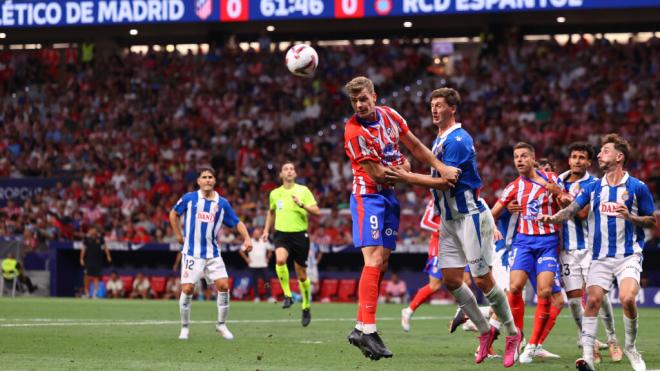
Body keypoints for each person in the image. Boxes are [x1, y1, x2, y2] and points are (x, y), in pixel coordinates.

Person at [384, 87, 520, 367]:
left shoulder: (458, 139)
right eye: (431, 105)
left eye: (439, 105)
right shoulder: (440, 139)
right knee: (451, 280)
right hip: (448, 221)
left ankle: (512, 333)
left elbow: (448, 181)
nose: (434, 109)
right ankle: (484, 331)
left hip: (470, 215)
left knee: (482, 279)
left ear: (452, 109)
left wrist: (407, 177)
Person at [343, 78, 460, 361]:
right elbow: (380, 174)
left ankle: (360, 327)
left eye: (364, 99)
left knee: (382, 263)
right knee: (371, 260)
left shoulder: (391, 115)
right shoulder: (354, 131)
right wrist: (423, 176)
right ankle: (368, 330)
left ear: (374, 96)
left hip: (389, 198)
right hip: (367, 198)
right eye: (355, 101)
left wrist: (441, 167)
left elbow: (416, 146)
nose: (360, 104)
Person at [540, 134, 656, 371]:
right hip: (600, 256)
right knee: (592, 301)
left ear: (618, 157)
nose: (600, 155)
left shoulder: (637, 187)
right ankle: (587, 359)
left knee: (627, 299)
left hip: (628, 255)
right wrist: (552, 218)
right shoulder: (593, 187)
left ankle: (631, 348)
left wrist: (630, 217)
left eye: (605, 151)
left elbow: (651, 220)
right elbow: (572, 210)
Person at [490, 142, 569, 364]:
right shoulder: (513, 187)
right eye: (516, 157)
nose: (520, 160)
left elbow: (569, 203)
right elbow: (492, 213)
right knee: (514, 288)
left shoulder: (552, 179)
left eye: (524, 156)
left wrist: (559, 194)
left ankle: (533, 345)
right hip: (523, 242)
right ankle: (516, 337)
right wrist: (493, 225)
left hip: (548, 242)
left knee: (545, 293)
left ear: (533, 159)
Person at [169, 166, 252, 340]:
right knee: (188, 288)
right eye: (204, 177)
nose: (207, 180)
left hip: (213, 253)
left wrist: (247, 238)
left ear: (214, 181)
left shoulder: (222, 203)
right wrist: (178, 235)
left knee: (224, 286)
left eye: (210, 177)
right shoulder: (189, 199)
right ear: (198, 181)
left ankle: (221, 325)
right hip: (192, 253)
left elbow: (237, 222)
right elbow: (173, 214)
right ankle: (184, 328)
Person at [558, 142, 622, 362]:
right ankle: (590, 342)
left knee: (598, 297)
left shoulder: (595, 184)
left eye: (582, 157)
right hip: (567, 250)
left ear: (588, 162)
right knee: (575, 302)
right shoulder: (558, 181)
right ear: (569, 160)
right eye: (574, 156)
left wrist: (563, 197)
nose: (577, 160)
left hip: (591, 248)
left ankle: (612, 338)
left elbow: (583, 214)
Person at [261, 162, 320, 326]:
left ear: (295, 174)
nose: (289, 171)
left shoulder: (303, 191)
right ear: (281, 174)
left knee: (301, 275)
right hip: (281, 234)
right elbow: (271, 212)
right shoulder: (274, 193)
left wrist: (302, 205)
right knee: (280, 260)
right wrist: (266, 230)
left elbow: (317, 211)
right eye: (285, 169)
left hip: (300, 234)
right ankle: (288, 295)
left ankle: (306, 306)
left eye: (292, 169)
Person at [401, 200, 443, 332]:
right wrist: (441, 227)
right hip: (439, 247)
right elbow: (424, 221)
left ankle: (467, 319)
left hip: (458, 246)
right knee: (435, 285)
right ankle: (408, 311)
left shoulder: (461, 197)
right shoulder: (437, 200)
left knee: (464, 282)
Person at [240, 227, 273, 302]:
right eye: (255, 234)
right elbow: (241, 251)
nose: (257, 235)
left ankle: (269, 296)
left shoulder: (264, 241)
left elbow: (271, 249)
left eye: (258, 234)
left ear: (260, 234)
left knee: (266, 282)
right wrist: (246, 259)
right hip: (253, 265)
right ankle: (256, 297)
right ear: (253, 235)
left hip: (263, 265)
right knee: (255, 282)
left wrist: (268, 258)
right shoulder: (249, 241)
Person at [80, 225, 112, 298]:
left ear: (96, 231)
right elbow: (83, 249)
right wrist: (81, 259)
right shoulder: (86, 239)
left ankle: (95, 293)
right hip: (88, 261)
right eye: (90, 230)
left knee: (96, 277)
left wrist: (108, 256)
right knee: (86, 277)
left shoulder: (100, 239)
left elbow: (105, 247)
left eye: (93, 230)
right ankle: (87, 293)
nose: (92, 231)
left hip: (98, 261)